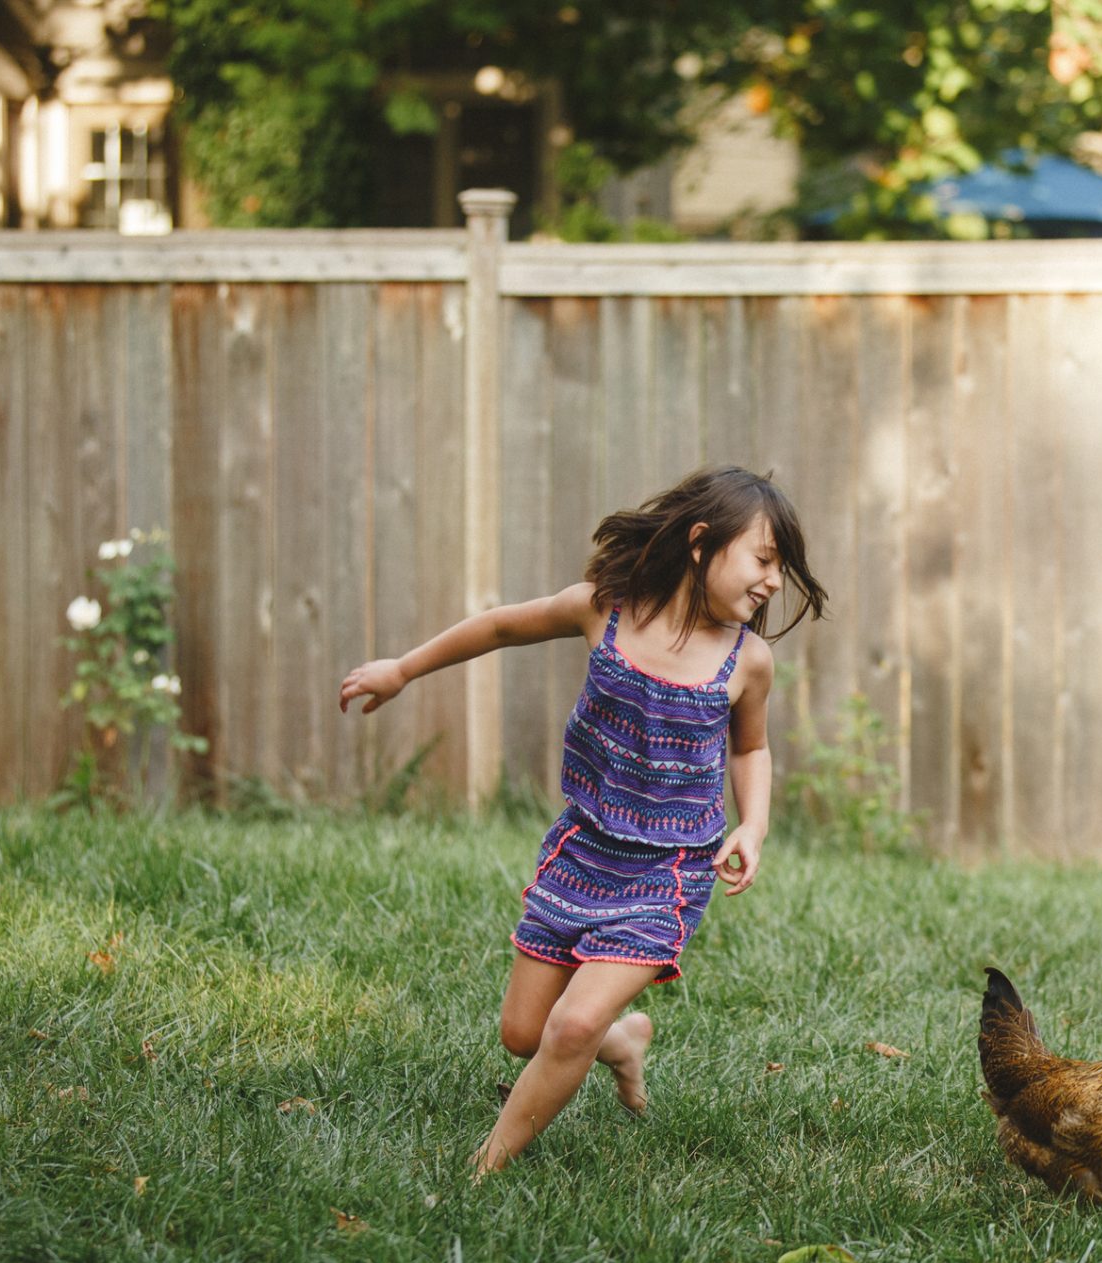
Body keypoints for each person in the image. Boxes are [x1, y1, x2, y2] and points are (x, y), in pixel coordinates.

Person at [339, 465, 827, 1177]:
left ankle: (482, 1169)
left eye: (781, 568)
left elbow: (750, 748)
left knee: (568, 1025)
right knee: (524, 1032)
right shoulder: (606, 608)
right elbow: (502, 625)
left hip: (666, 873)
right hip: (581, 849)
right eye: (762, 559)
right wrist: (404, 669)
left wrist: (751, 826)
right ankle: (622, 1041)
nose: (772, 582)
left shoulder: (747, 660)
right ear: (700, 542)